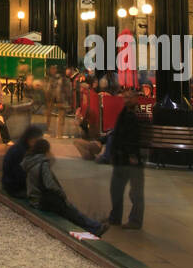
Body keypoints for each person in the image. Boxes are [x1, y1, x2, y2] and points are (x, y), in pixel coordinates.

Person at [22, 137, 109, 236]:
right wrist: (62, 194)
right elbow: (50, 184)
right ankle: (95, 227)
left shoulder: (30, 162)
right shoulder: (42, 164)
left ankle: (94, 226)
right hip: (43, 200)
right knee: (70, 209)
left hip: (35, 198)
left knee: (70, 209)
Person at [108, 89, 145, 230]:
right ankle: (115, 217)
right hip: (121, 157)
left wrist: (133, 156)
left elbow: (136, 138)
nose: (126, 99)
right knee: (116, 189)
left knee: (135, 192)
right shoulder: (125, 113)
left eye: (130, 97)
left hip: (131, 160)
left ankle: (135, 221)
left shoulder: (136, 115)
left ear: (136, 98)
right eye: (125, 96)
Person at [0, 124, 45, 196]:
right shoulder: (20, 151)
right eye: (36, 141)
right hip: (14, 187)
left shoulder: (22, 148)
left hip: (14, 183)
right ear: (30, 139)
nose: (37, 144)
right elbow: (19, 175)